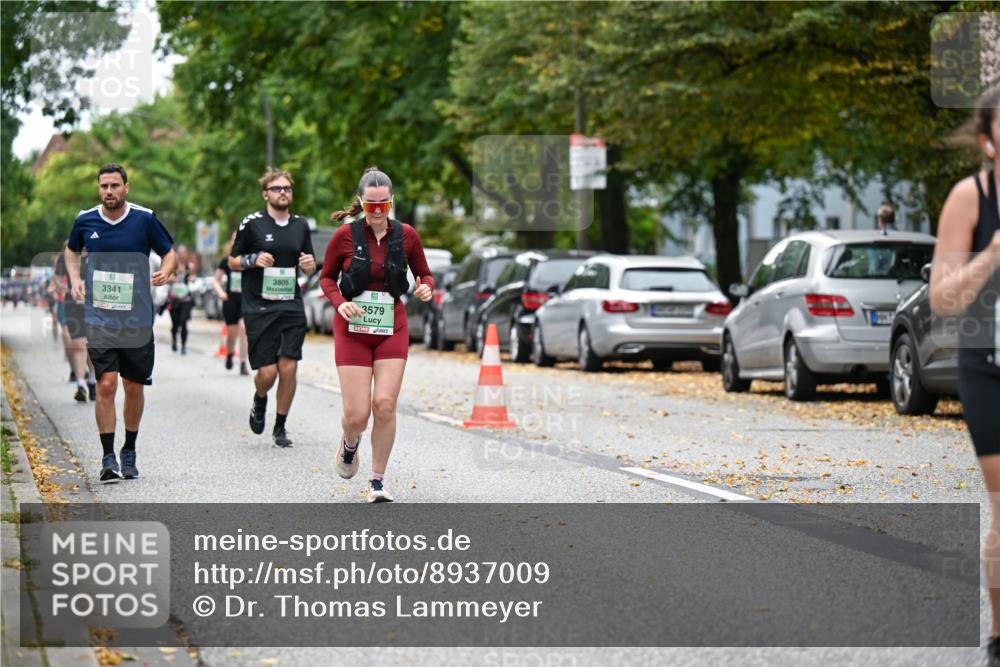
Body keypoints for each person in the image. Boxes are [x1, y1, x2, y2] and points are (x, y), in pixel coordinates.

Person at [929, 85, 1000, 665]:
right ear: (988, 141)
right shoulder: (970, 197)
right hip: (990, 368)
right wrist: (992, 253)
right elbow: (943, 300)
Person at [320, 166, 434, 503]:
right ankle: (350, 442)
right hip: (352, 329)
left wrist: (426, 288)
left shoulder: (407, 235)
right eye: (371, 205)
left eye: (384, 204)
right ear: (361, 203)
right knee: (357, 415)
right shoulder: (345, 236)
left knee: (384, 404)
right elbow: (326, 278)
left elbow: (425, 274)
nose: (378, 211)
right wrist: (340, 302)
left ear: (391, 202)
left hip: (391, 326)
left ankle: (377, 480)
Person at [64, 163, 176, 482]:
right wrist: (75, 278)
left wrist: (167, 270)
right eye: (104, 186)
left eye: (115, 185)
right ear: (99, 188)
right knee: (106, 384)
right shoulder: (85, 220)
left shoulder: (145, 218)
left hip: (137, 318)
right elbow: (71, 251)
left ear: (126, 187)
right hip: (100, 317)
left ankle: (129, 449)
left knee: (134, 386)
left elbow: (169, 252)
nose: (109, 191)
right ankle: (107, 457)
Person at [229, 168, 316, 447]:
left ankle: (280, 426)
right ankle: (260, 398)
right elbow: (232, 261)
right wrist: (252, 259)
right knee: (268, 373)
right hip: (259, 306)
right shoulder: (252, 223)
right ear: (265, 194)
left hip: (291, 304)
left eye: (287, 188)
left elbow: (309, 263)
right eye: (277, 188)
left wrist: (309, 266)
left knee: (289, 367)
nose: (283, 193)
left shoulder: (300, 225)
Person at [214, 232, 250, 375]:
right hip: (230, 301)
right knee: (231, 334)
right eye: (234, 239)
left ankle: (243, 363)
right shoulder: (227, 261)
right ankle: (229, 354)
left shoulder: (249, 260)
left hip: (245, 300)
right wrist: (221, 292)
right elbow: (216, 280)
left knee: (243, 329)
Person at [167, 261, 196, 354]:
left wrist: (192, 275)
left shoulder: (188, 269)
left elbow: (194, 279)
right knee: (175, 324)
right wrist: (172, 278)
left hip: (186, 300)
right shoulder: (172, 268)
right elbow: (166, 278)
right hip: (174, 300)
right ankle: (174, 340)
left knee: (184, 322)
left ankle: (183, 345)